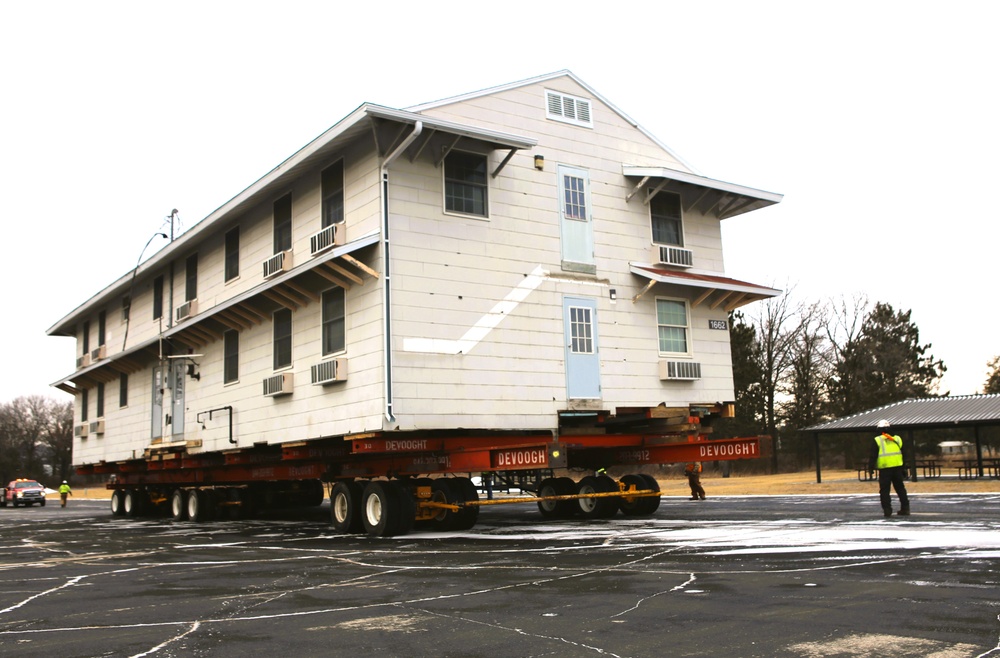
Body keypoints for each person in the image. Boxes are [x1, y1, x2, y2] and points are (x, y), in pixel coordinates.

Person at [868, 420, 910, 517]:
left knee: (885, 490)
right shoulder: (898, 439)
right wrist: (904, 467)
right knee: (900, 489)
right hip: (898, 468)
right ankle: (905, 508)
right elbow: (904, 453)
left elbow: (873, 455)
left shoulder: (877, 440)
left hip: (885, 469)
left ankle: (887, 510)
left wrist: (870, 467)